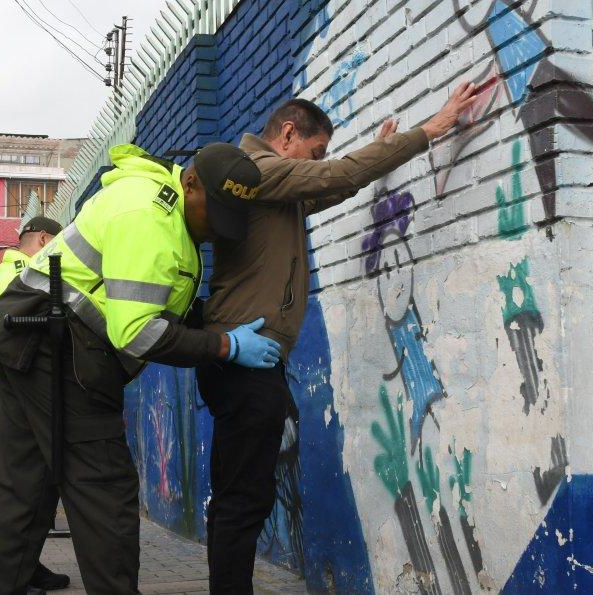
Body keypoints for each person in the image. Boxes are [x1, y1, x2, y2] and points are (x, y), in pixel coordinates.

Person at [197, 82, 485, 592]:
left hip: (241, 360)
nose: (318, 163)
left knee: (235, 496)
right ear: (288, 134)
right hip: (245, 363)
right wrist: (431, 129)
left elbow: (331, 186)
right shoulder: (256, 170)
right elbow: (337, 174)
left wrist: (376, 154)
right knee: (245, 500)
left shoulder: (269, 187)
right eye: (315, 152)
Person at [0, 142, 279, 594]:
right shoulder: (149, 216)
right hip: (54, 345)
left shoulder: (166, 210)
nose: (217, 229)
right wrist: (225, 346)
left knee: (25, 484)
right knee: (104, 486)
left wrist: (208, 324)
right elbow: (136, 333)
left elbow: (150, 298)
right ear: (190, 182)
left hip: (33, 337)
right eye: (214, 213)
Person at [0, 215, 68, 591]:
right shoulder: (22, 270)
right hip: (19, 381)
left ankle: (25, 563)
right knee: (24, 480)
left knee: (35, 477)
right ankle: (17, 568)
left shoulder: (12, 269)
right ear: (45, 239)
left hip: (17, 379)